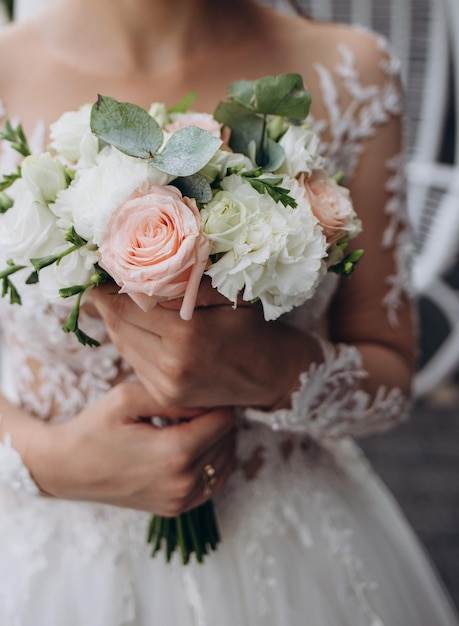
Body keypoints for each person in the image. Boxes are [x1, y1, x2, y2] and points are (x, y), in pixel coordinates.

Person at [0, 0, 457, 624]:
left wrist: (267, 369)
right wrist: (46, 462)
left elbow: (391, 373)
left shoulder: (350, 72)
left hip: (293, 557)